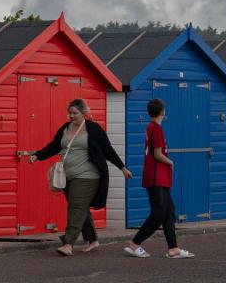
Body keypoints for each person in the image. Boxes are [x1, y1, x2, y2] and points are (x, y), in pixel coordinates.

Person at [28, 99, 132, 256]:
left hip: (88, 176)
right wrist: (38, 155)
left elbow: (108, 150)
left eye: (75, 113)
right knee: (81, 208)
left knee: (76, 207)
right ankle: (92, 240)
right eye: (69, 113)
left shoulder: (93, 129)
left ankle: (68, 243)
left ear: (84, 113)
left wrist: (122, 167)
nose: (71, 116)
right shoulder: (65, 128)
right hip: (67, 177)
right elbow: (54, 146)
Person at [124, 99, 194, 259]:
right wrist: (170, 162)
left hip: (159, 176)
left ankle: (173, 248)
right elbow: (157, 154)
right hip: (156, 177)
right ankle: (135, 243)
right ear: (163, 112)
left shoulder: (152, 127)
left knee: (169, 212)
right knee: (159, 213)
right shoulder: (156, 129)